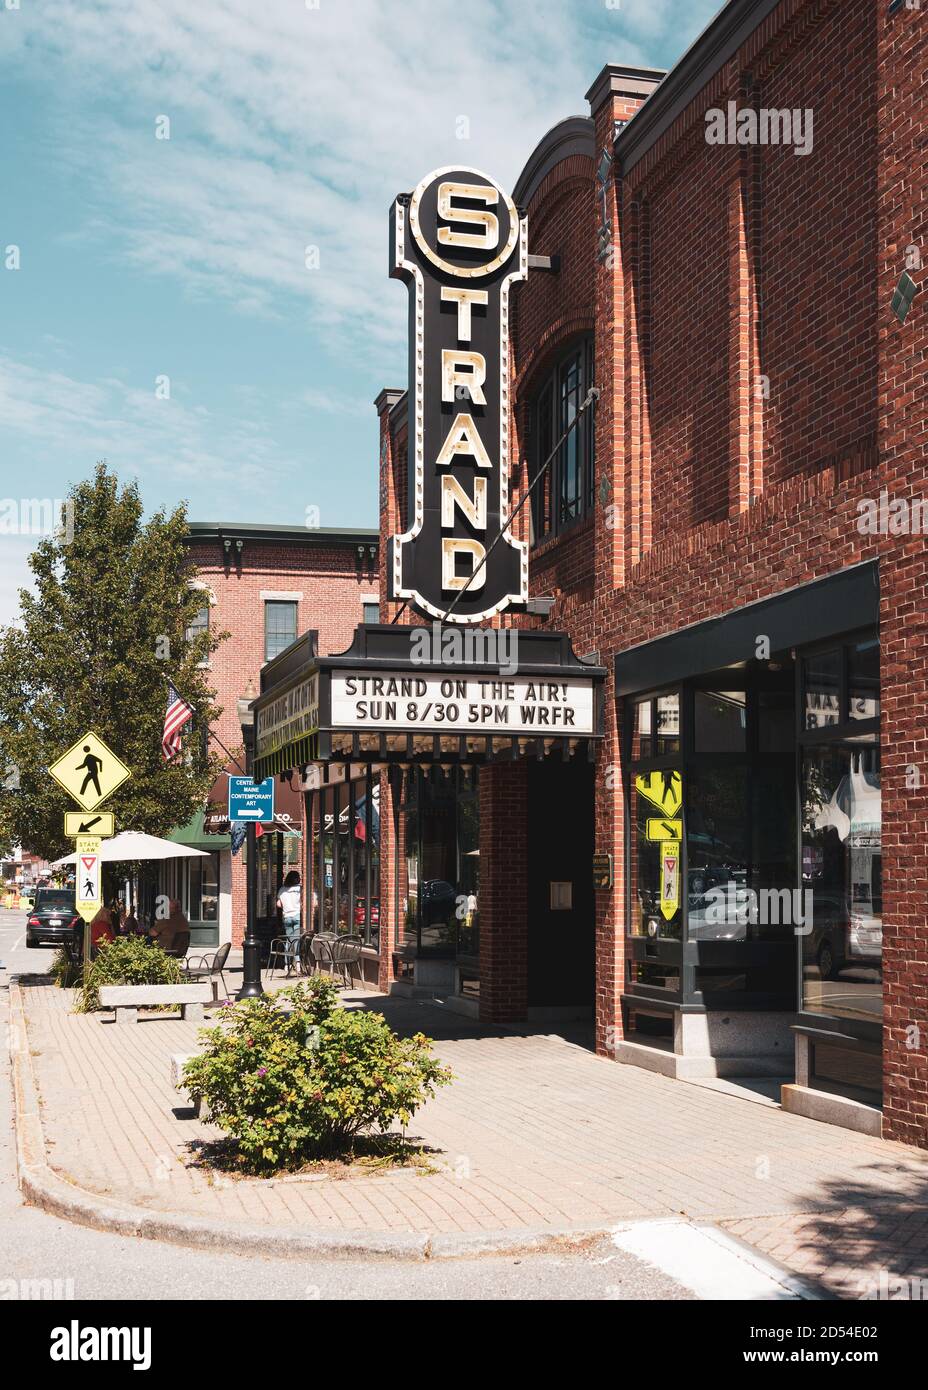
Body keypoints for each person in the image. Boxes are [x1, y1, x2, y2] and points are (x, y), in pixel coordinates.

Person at [277, 871, 302, 972]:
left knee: (289, 939)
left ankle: (286, 964)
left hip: (287, 916)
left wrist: (286, 905)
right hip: (296, 916)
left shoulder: (282, 889)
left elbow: (278, 904)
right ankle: (298, 963)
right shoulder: (299, 889)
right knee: (295, 940)